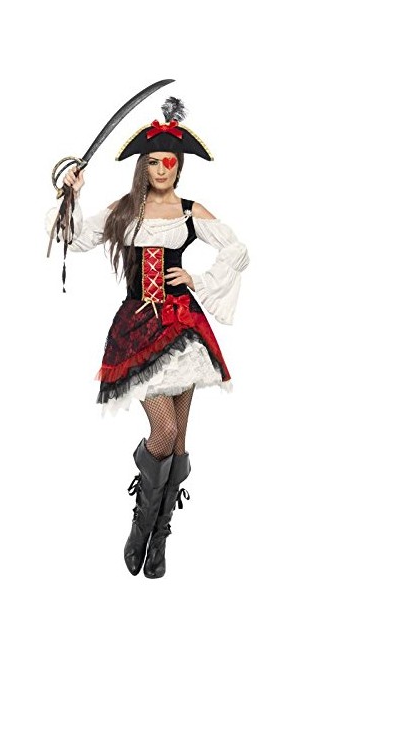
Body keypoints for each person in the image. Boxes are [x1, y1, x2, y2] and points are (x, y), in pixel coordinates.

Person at [47, 97, 249, 578]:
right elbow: (75, 238)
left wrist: (197, 279)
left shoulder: (188, 210)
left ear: (179, 167)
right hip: (139, 328)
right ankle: (141, 526)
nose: (161, 169)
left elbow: (237, 249)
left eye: (169, 162)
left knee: (179, 443)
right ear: (144, 166)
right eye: (153, 161)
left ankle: (159, 539)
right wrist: (72, 193)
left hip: (182, 327)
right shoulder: (126, 209)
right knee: (165, 431)